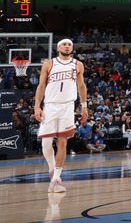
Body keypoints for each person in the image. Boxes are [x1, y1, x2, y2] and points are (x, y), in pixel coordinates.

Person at [34, 38, 88, 193]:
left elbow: (81, 86)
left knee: (62, 142)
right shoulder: (49, 64)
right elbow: (41, 86)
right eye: (64, 44)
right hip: (50, 106)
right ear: (58, 48)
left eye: (69, 44)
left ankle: (56, 179)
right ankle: (52, 169)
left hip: (67, 107)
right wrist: (37, 106)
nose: (67, 46)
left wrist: (84, 107)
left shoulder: (78, 64)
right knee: (46, 143)